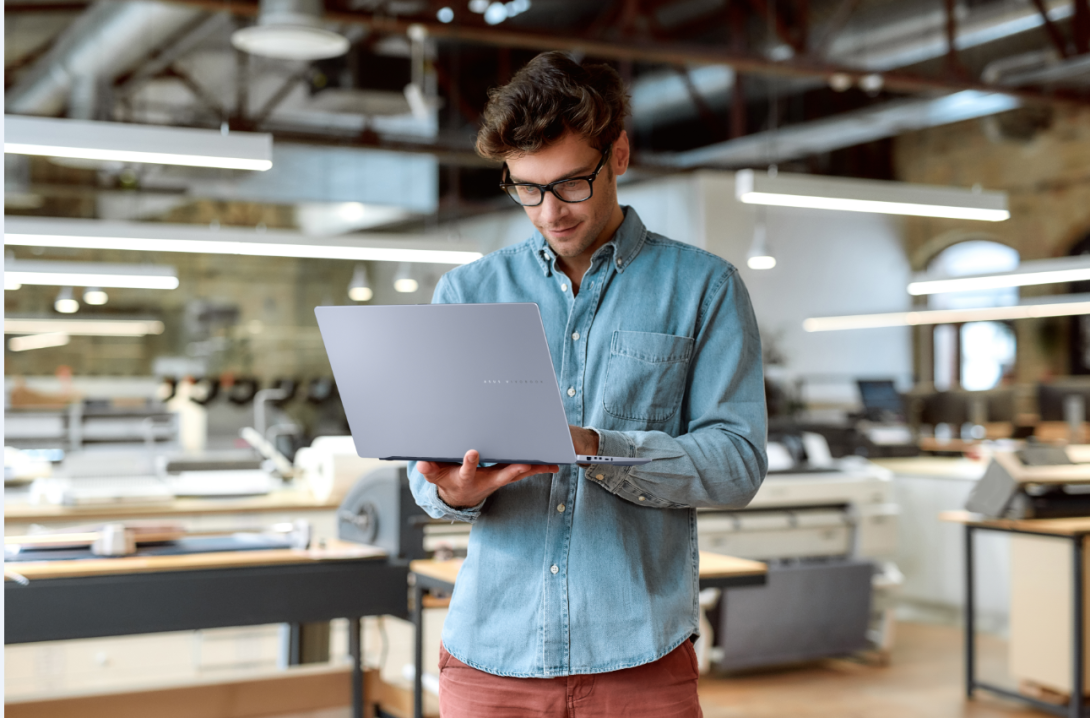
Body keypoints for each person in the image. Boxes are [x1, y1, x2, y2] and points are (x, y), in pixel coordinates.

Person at [408, 51, 767, 717]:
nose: (550, 212)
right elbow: (421, 474)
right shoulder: (467, 293)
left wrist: (595, 445)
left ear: (619, 155)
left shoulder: (703, 288)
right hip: (490, 659)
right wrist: (451, 491)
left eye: (572, 184)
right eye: (527, 189)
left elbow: (738, 463)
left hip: (638, 658)